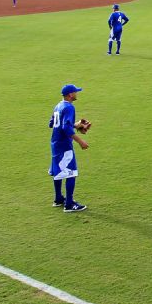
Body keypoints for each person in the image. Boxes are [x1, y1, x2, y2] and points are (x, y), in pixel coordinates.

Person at [49, 84, 89, 212]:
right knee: (71, 173)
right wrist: (80, 141)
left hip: (55, 144)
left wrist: (77, 125)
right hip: (64, 145)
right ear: (70, 94)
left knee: (58, 172)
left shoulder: (58, 106)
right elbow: (66, 128)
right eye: (75, 92)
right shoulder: (69, 107)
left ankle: (59, 199)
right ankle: (69, 204)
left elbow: (53, 124)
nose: (77, 94)